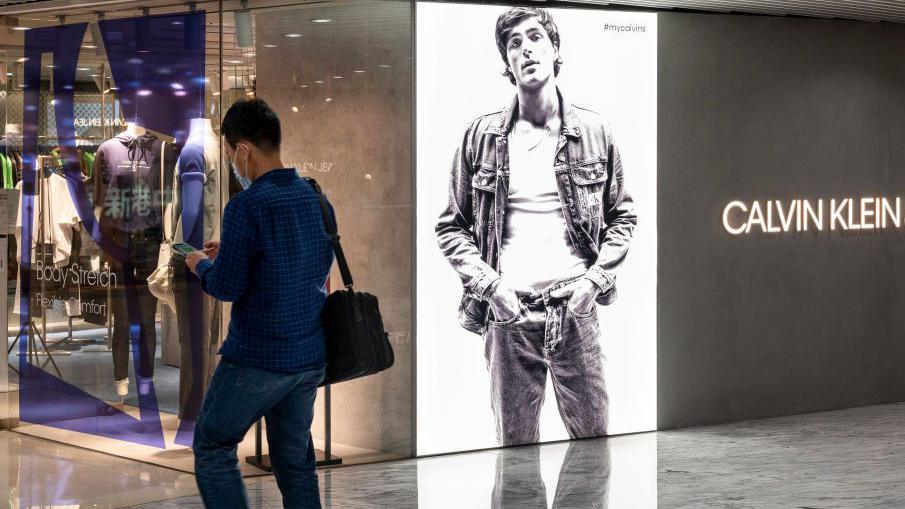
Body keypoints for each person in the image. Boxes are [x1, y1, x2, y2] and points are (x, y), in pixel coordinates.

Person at [435, 7, 637, 446]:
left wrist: (594, 281)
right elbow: (451, 227)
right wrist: (492, 288)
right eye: (514, 43)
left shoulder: (596, 132)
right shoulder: (480, 137)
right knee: (516, 455)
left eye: (535, 38)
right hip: (509, 316)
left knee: (593, 447)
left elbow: (623, 216)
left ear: (555, 48)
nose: (526, 49)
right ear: (506, 62)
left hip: (575, 313)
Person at [185, 99, 335, 508]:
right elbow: (310, 264)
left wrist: (200, 264)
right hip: (307, 356)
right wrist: (232, 250)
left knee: (213, 445)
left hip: (258, 356)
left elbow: (227, 287)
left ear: (243, 150)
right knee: (295, 462)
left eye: (232, 151)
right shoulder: (316, 197)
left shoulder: (246, 206)